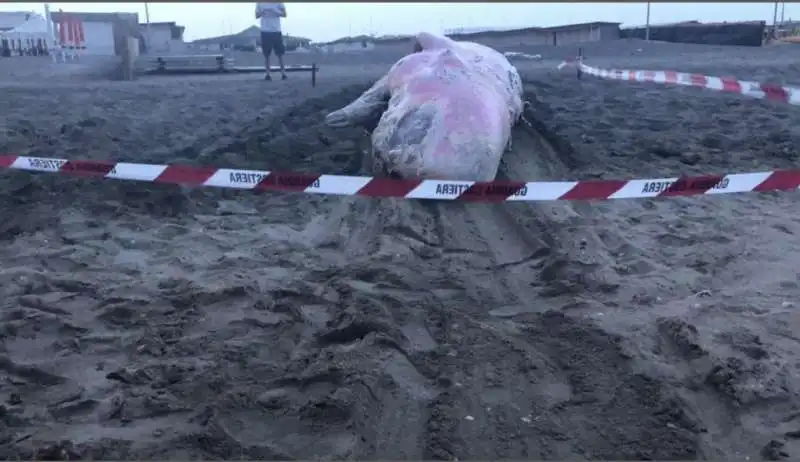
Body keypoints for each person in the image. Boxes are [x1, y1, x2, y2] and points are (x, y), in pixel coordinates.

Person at [255, 2, 287, 81]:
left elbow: (285, 14)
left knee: (280, 54)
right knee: (266, 54)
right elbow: (256, 15)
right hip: (265, 31)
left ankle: (283, 74)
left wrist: (276, 12)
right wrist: (262, 12)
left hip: (276, 30)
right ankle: (267, 74)